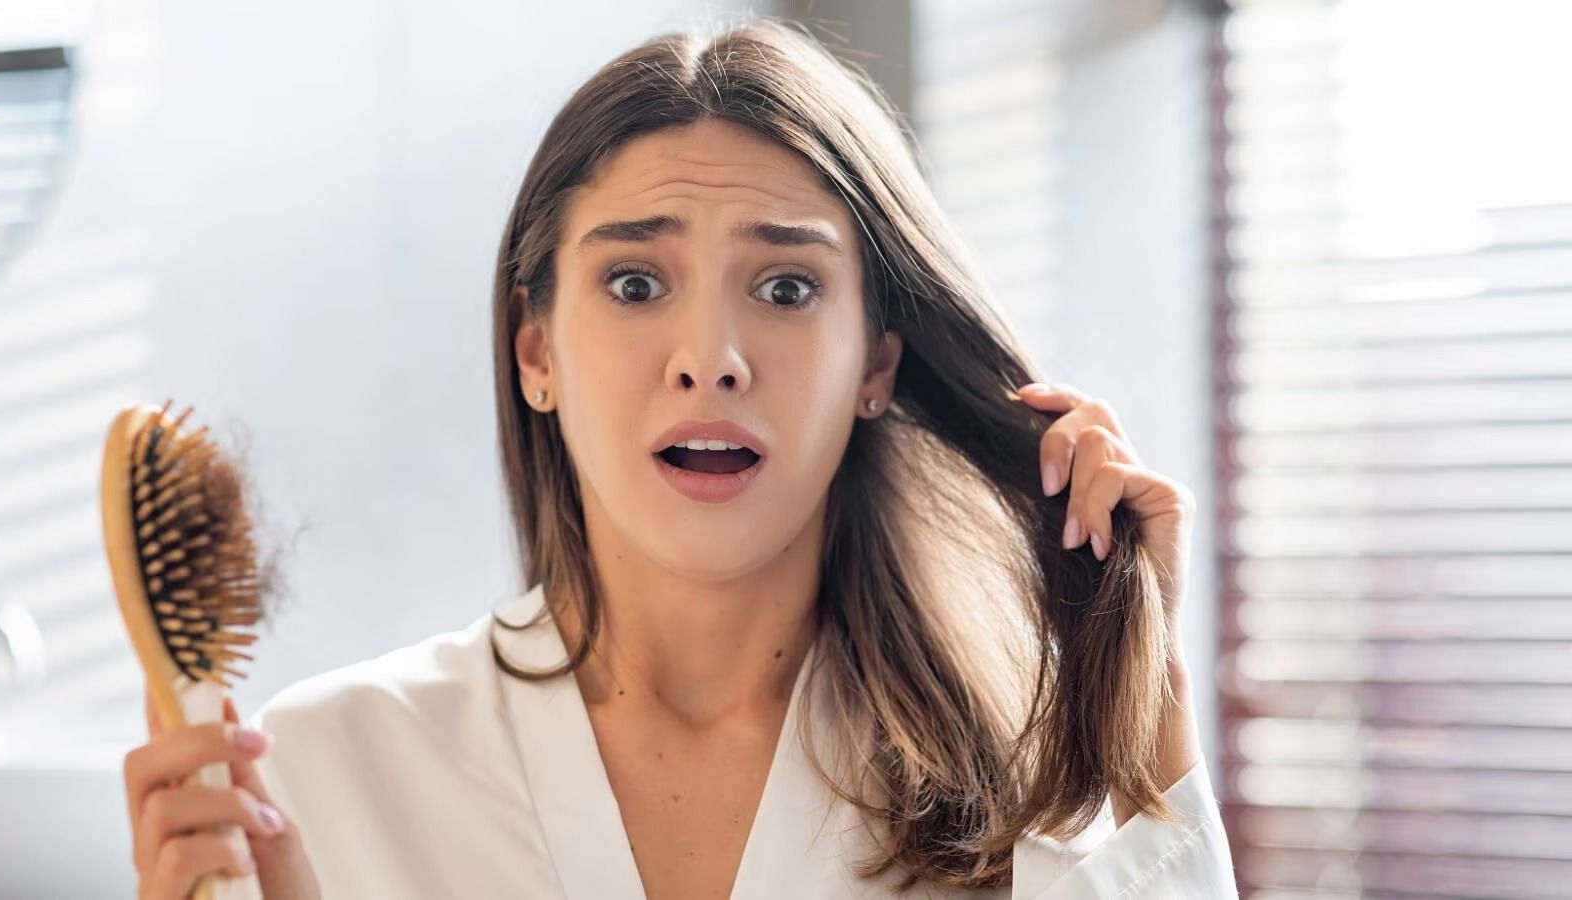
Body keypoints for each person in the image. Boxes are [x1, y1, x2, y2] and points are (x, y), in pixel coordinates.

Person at [122, 15, 1239, 899]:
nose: (709, 358)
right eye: (635, 284)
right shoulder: (323, 777)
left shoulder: (1020, 790)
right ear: (536, 352)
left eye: (786, 289)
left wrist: (1147, 721)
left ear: (877, 367)